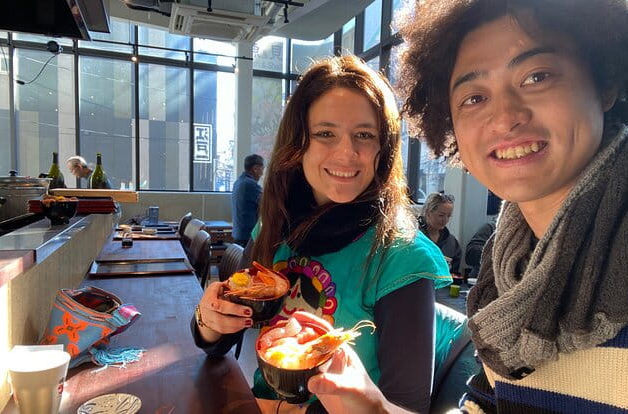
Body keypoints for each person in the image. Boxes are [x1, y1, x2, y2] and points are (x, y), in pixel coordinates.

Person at [395, 0, 628, 411]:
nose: (505, 117)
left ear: (606, 84)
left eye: (537, 76)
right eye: (474, 97)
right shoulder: (506, 271)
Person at [192, 55, 451, 413]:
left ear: (384, 149)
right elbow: (221, 340)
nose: (347, 153)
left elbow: (406, 407)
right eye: (325, 133)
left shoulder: (402, 256)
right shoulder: (275, 225)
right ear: (298, 145)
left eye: (364, 135)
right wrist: (209, 319)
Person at [418, 192, 462, 274]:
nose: (445, 220)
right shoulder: (414, 237)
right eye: (441, 215)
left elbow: (454, 273)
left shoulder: (452, 243)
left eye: (449, 216)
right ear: (428, 212)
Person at [231, 154, 264, 247]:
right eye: (262, 169)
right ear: (255, 168)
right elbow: (267, 204)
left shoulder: (238, 182)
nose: (262, 174)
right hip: (247, 237)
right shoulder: (250, 184)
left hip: (238, 234)